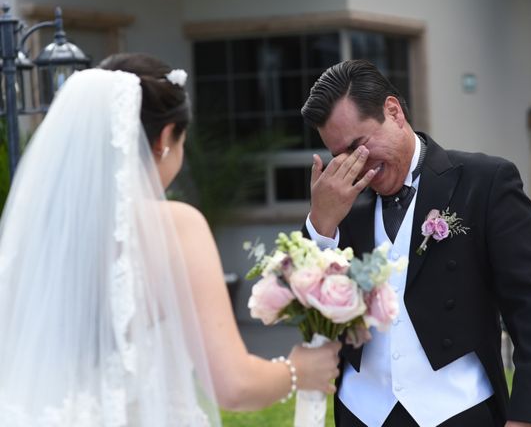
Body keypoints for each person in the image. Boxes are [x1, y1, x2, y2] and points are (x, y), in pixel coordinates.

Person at [0, 53, 340, 426]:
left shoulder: (43, 238)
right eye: (182, 142)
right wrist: (298, 370)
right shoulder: (174, 226)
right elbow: (233, 385)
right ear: (164, 140)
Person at [301, 59, 531, 427]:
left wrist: (529, 419)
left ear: (393, 112)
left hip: (460, 410)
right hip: (362, 413)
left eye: (358, 146)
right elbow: (308, 318)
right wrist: (321, 224)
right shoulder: (337, 204)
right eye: (339, 155)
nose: (353, 166)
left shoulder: (486, 183)